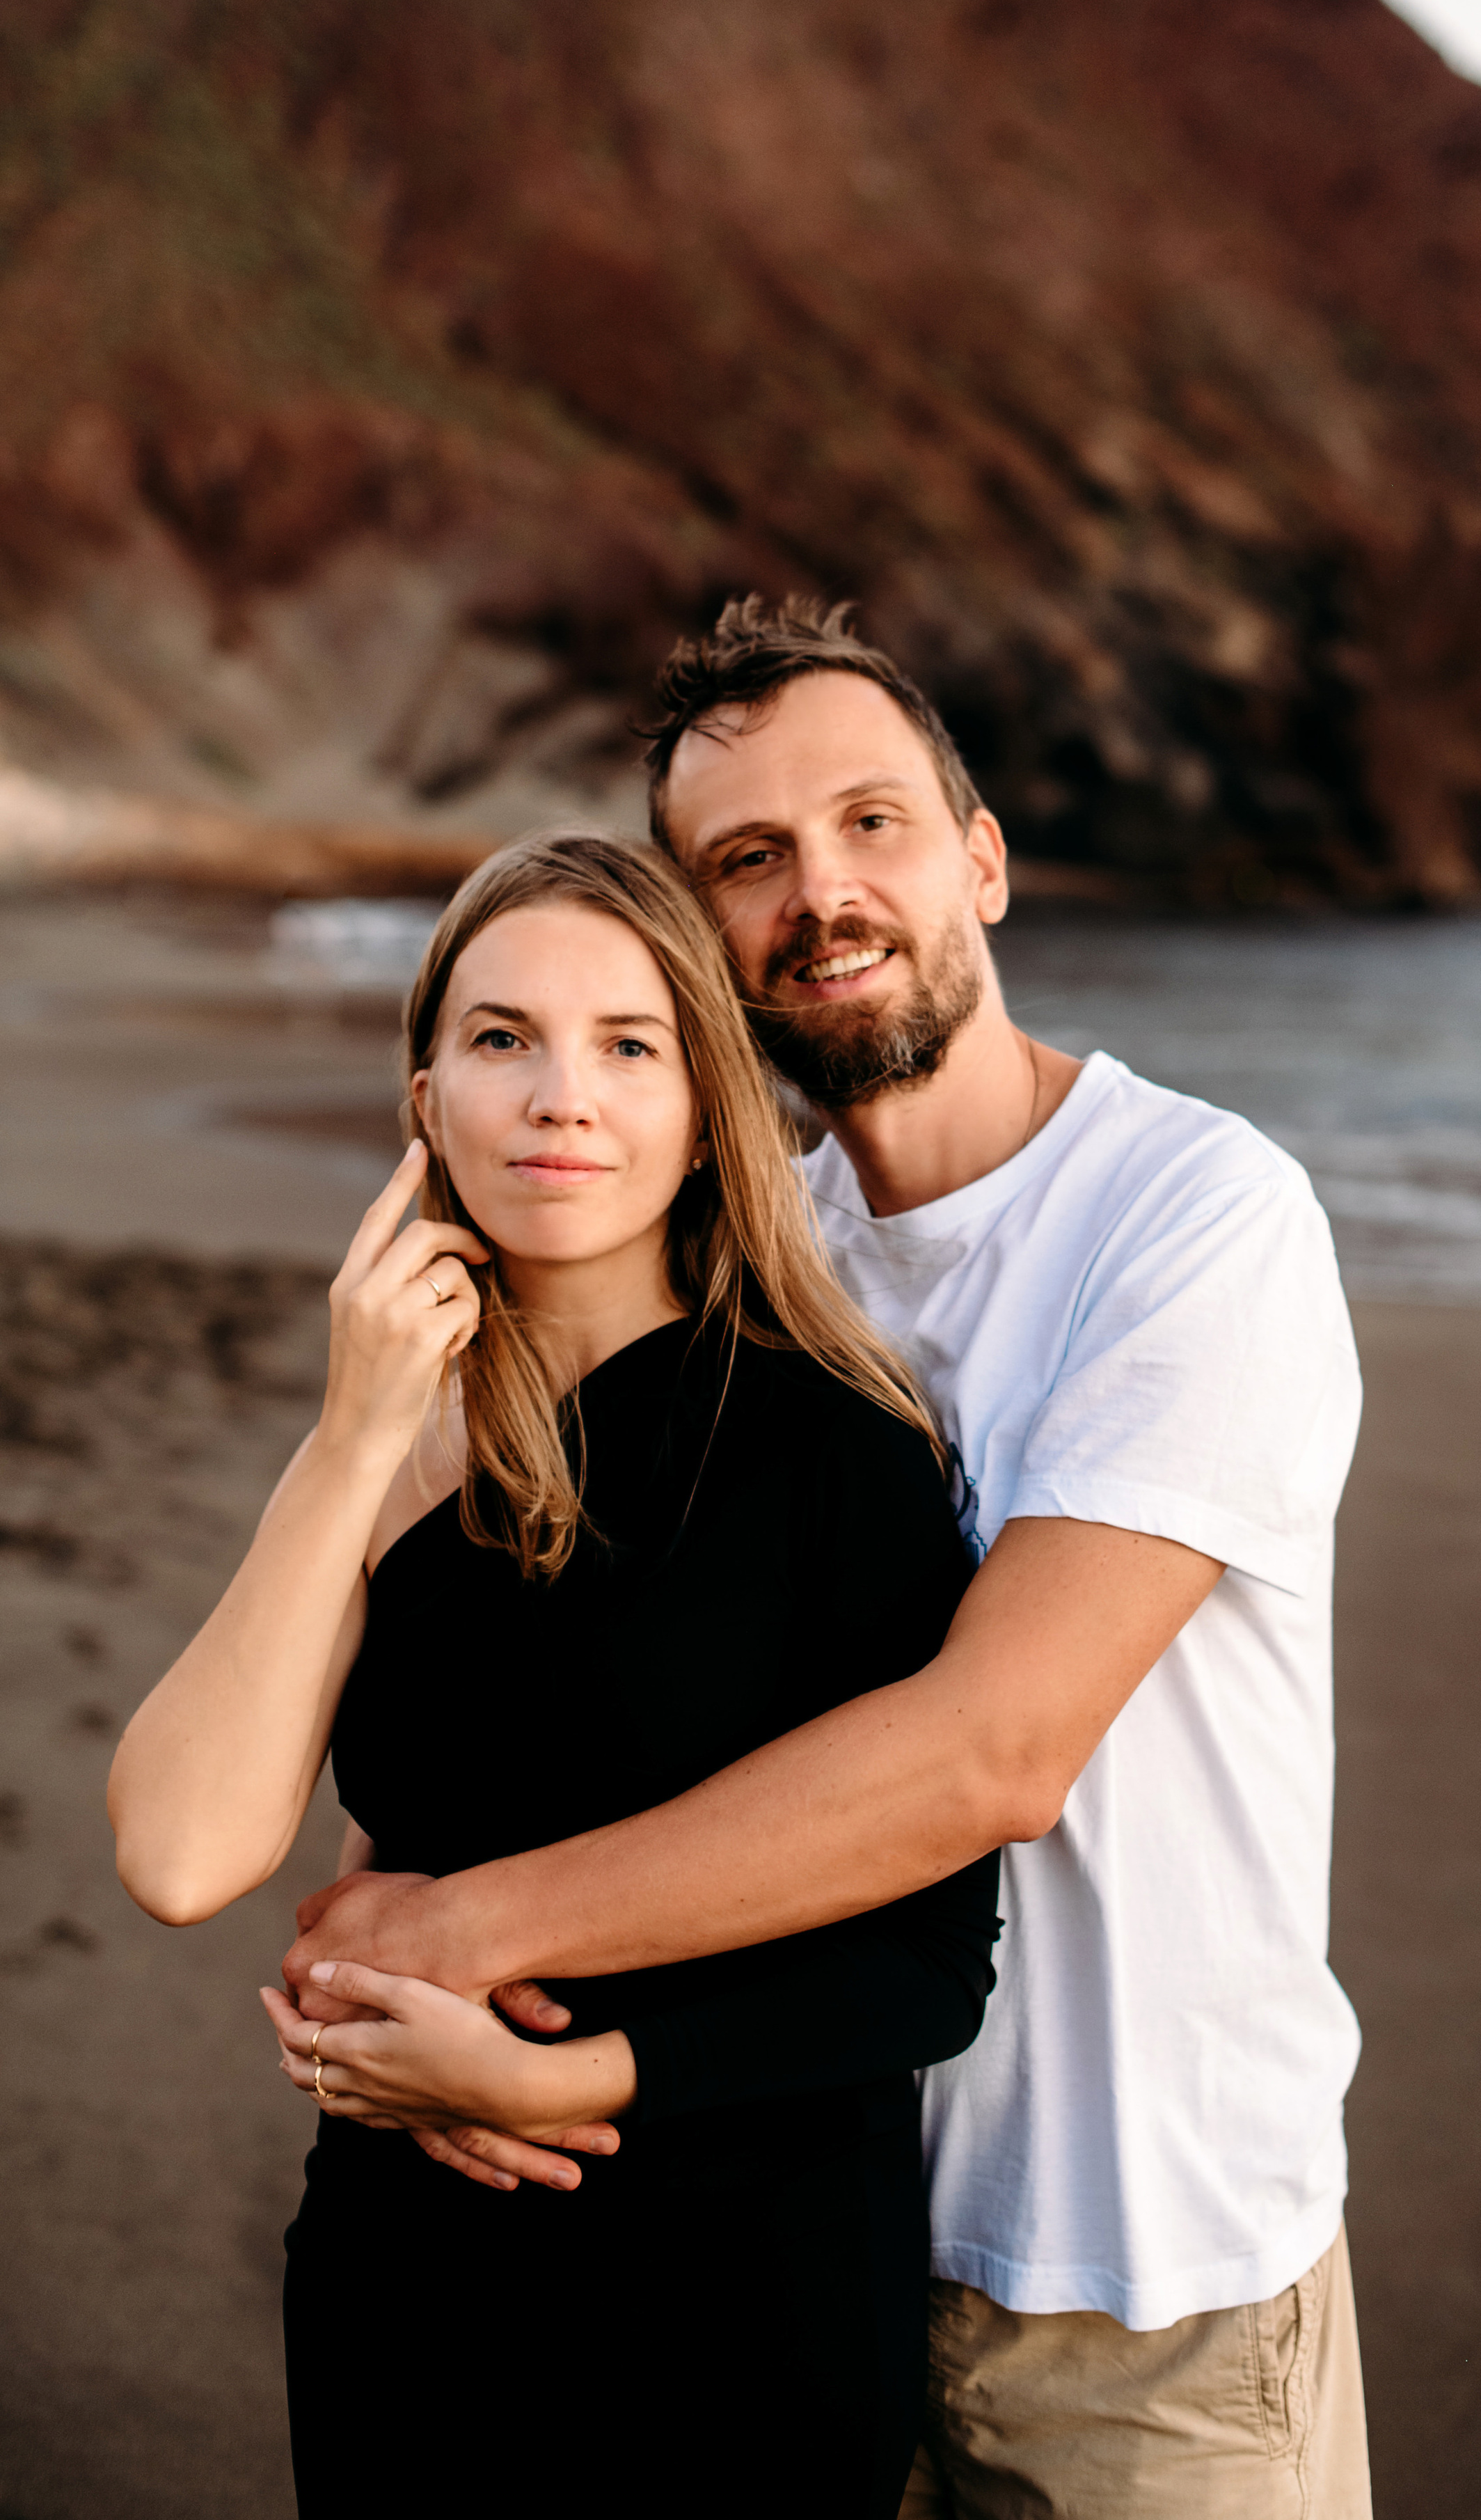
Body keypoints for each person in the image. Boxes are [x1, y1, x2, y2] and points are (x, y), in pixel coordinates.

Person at [283, 600, 1372, 2517]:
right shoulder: (740, 1261)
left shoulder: (1195, 1219)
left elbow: (990, 1756)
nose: (825, 892)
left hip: (1134, 2278)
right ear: (700, 942)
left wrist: (463, 1937)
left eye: (874, 824)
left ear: (986, 859)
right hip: (780, 2209)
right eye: (750, 859)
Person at [107, 830, 1001, 2520]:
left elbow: (929, 1964)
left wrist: (557, 2077)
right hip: (408, 2284)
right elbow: (178, 1852)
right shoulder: (382, 1454)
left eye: (628, 1044)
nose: (559, 1098)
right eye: (502, 1039)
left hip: (739, 2297)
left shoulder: (833, 1445)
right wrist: (352, 1435)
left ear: (699, 1103)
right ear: (426, 1091)